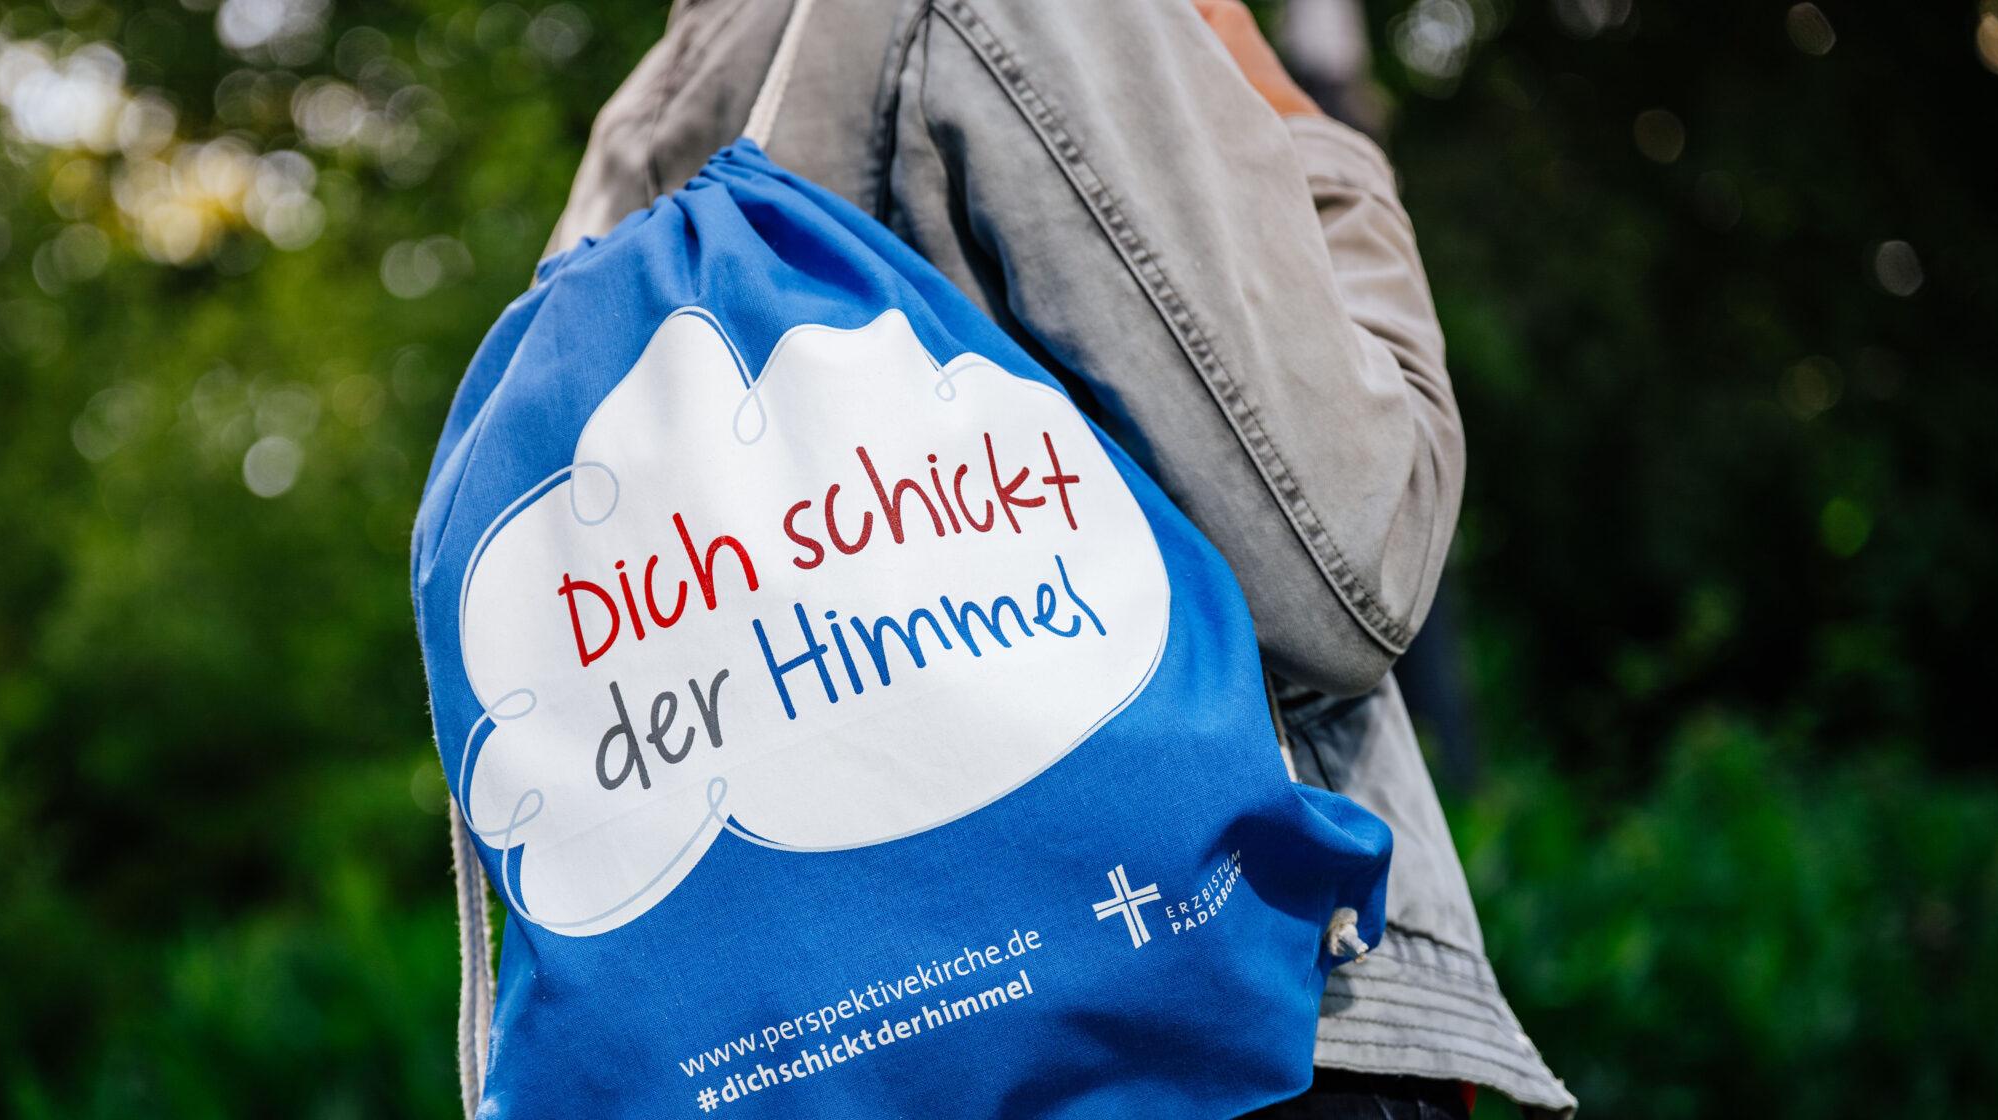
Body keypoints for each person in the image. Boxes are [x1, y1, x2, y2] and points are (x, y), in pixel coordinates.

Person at [541, 0, 1576, 1115]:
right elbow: (1357, 564)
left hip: (853, 1056)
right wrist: (1304, 130)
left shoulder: (626, 151)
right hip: (1214, 1018)